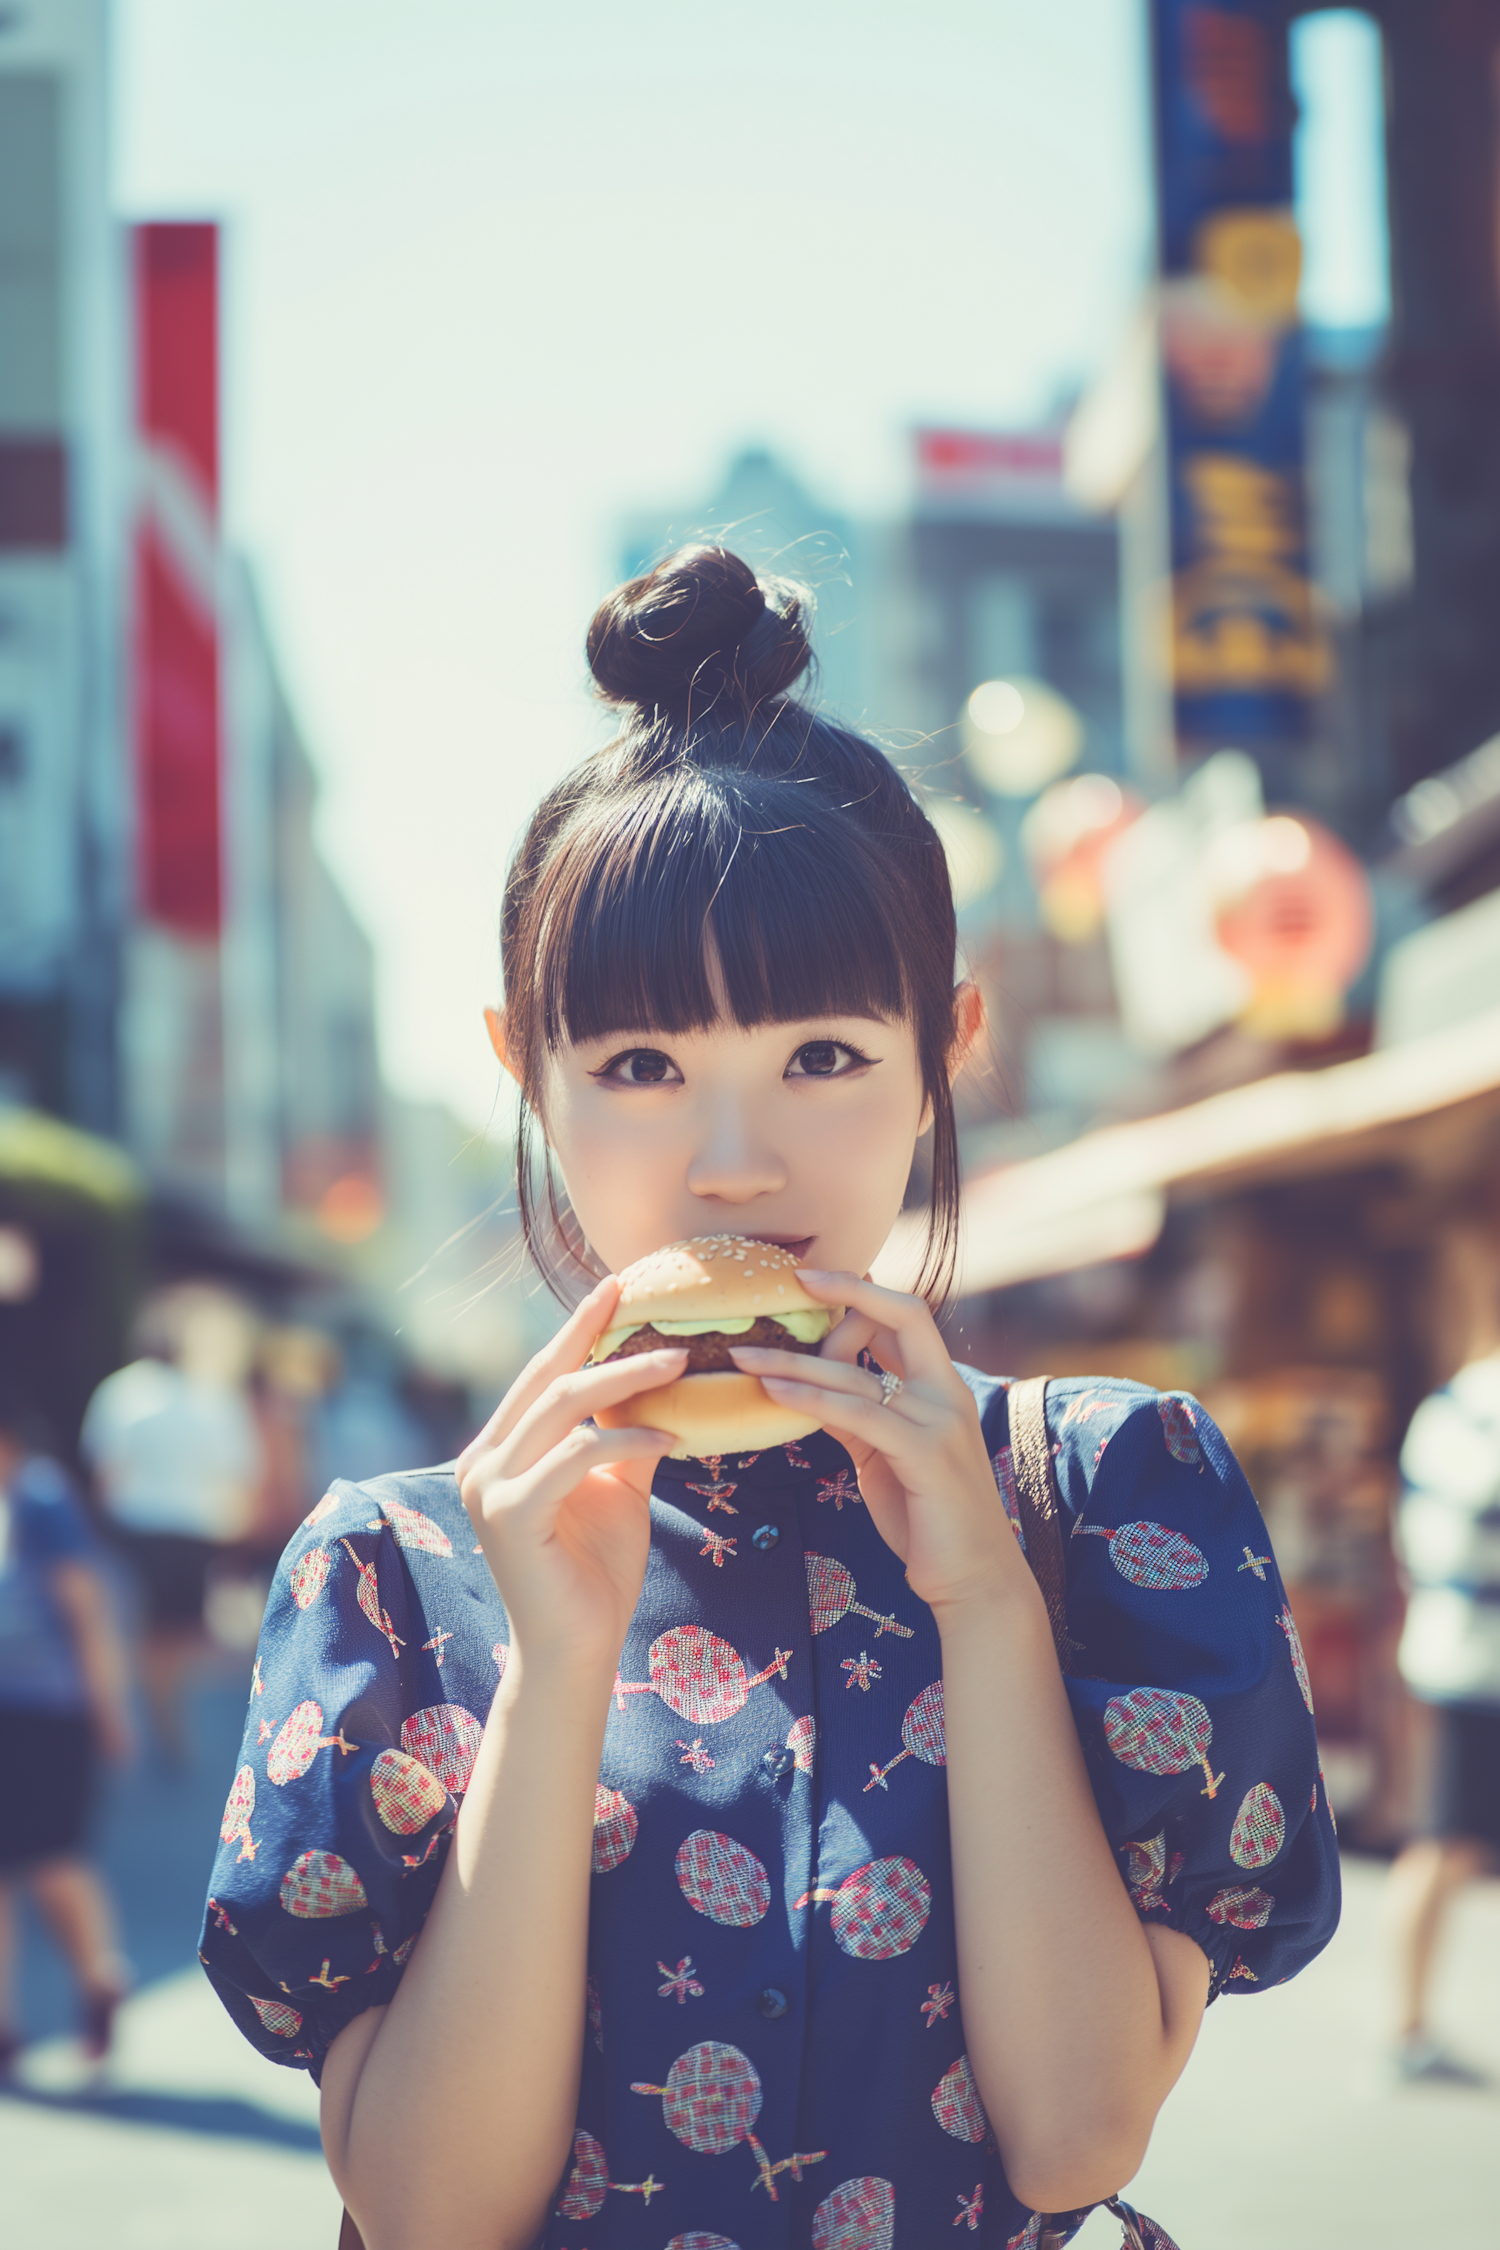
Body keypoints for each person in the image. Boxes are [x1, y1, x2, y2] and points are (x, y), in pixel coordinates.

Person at [199, 547, 1339, 2249]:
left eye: (823, 1057)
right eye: (645, 1069)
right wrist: (554, 1668)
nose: (735, 1167)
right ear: (526, 1066)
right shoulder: (394, 1574)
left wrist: (984, 1601)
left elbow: (1075, 2140)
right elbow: (433, 2211)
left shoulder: (1105, 1492)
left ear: (947, 1045)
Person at [1386, 1224, 1500, 2085]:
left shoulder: (1457, 1401)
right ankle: (1408, 2027)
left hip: (1456, 1654)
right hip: (1474, 1664)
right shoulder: (1479, 1404)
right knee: (1446, 1843)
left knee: (1448, 1844)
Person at [0, 1404, 133, 2068]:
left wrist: (108, 1706)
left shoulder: (42, 1498)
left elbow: (85, 1606)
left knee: (53, 1859)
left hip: (49, 1707)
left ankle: (98, 1977)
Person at [80, 1283, 262, 1763]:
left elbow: (104, 1473)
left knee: (139, 1627)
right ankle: (169, 1709)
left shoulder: (120, 1391)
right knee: (181, 1631)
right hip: (194, 1529)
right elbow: (238, 1473)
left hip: (135, 1527)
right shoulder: (211, 1396)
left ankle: (153, 1709)